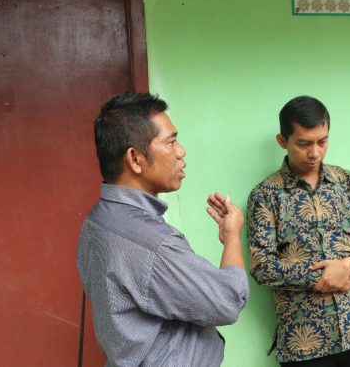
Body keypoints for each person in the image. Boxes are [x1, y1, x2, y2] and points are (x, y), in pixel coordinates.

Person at [77, 92, 249, 366]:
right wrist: (231, 238)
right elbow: (228, 301)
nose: (181, 151)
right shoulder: (153, 244)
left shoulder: (97, 220)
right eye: (170, 142)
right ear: (135, 159)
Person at [247, 96, 350, 367]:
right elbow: (261, 267)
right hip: (304, 343)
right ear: (283, 141)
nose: (315, 153)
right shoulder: (265, 195)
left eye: (322, 141)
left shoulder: (349, 183)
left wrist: (349, 264)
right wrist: (320, 276)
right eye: (304, 144)